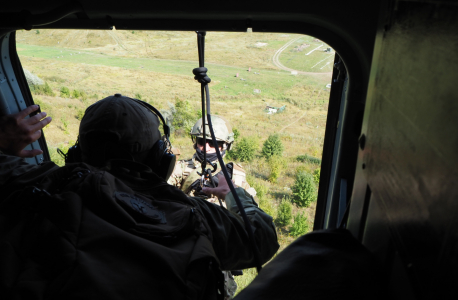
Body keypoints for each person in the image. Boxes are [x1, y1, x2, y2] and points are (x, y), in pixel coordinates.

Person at [0, 95, 279, 300]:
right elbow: (261, 238)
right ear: (160, 159)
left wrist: (3, 142)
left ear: (77, 152)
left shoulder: (41, 184)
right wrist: (234, 194)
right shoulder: (190, 213)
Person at [168, 115, 256, 299]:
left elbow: (250, 212)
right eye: (202, 142)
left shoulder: (235, 175)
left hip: (219, 249)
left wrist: (230, 190)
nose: (206, 148)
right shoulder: (181, 169)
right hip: (186, 244)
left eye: (213, 143)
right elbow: (161, 195)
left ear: (224, 146)